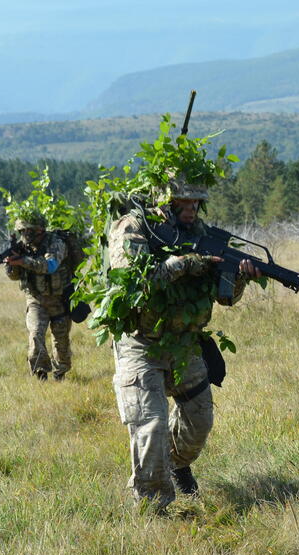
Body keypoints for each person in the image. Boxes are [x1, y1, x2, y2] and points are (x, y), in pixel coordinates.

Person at [107, 179, 261, 512]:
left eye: (196, 203)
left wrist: (239, 277)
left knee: (199, 421)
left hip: (184, 343)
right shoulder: (133, 227)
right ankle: (152, 507)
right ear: (164, 200)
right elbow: (134, 283)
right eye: (183, 202)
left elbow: (224, 297)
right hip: (141, 343)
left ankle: (175, 465)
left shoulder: (203, 234)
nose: (191, 210)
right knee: (150, 427)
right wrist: (182, 264)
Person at [4, 212, 73, 381]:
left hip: (59, 299)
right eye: (22, 231)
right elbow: (14, 276)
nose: (25, 235)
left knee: (61, 340)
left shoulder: (56, 243)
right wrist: (12, 265)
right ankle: (40, 372)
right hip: (36, 299)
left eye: (28, 230)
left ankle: (60, 373)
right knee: (35, 334)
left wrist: (23, 261)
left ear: (39, 230)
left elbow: (50, 266)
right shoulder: (23, 247)